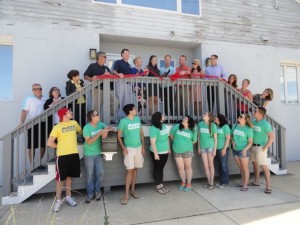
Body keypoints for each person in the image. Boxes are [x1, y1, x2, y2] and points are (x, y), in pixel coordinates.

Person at [47, 108, 82, 212]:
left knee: (69, 178)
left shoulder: (74, 123)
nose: (71, 113)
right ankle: (58, 201)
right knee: (60, 180)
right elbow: (49, 143)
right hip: (62, 156)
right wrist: (60, 146)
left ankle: (68, 197)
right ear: (64, 115)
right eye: (69, 112)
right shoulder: (57, 127)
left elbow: (80, 132)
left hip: (74, 154)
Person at [83, 110, 114, 203]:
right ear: (92, 118)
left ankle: (97, 191)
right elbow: (89, 141)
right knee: (89, 175)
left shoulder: (100, 124)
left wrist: (106, 132)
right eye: (97, 115)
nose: (99, 115)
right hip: (89, 154)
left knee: (100, 173)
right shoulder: (86, 128)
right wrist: (100, 133)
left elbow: (111, 129)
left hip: (98, 153)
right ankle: (90, 194)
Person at [117, 104, 145, 205]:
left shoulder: (137, 119)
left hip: (138, 147)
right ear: (130, 111)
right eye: (134, 109)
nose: (136, 110)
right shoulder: (123, 121)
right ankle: (126, 194)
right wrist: (123, 148)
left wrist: (143, 147)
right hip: (129, 148)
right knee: (129, 170)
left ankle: (133, 190)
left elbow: (141, 133)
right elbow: (119, 136)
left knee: (135, 169)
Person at [20, 83, 46, 169]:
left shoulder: (45, 98)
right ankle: (32, 165)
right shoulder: (28, 98)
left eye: (39, 88)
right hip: (32, 123)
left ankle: (38, 163)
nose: (38, 90)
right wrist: (21, 122)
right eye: (35, 89)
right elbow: (24, 111)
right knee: (32, 145)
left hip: (43, 123)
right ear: (32, 90)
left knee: (43, 144)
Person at [84, 51, 118, 115]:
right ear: (99, 57)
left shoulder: (106, 68)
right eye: (105, 57)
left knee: (116, 102)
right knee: (96, 107)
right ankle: (95, 122)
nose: (106, 58)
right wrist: (91, 78)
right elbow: (85, 76)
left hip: (107, 89)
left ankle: (109, 116)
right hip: (96, 89)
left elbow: (112, 78)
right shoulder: (92, 66)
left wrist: (110, 75)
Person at [250, 107, 274, 194]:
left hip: (261, 147)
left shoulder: (265, 124)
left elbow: (271, 137)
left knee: (264, 166)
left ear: (260, 114)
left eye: (255, 111)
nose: (253, 112)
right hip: (253, 147)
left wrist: (265, 147)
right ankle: (257, 181)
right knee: (255, 164)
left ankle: (268, 186)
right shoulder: (253, 121)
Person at [170, 116, 197, 192]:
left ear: (189, 122)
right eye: (183, 118)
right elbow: (171, 135)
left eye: (185, 119)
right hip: (177, 150)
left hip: (187, 151)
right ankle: (183, 182)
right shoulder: (177, 126)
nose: (183, 120)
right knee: (180, 167)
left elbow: (194, 141)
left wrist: (187, 144)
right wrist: (176, 142)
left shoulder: (193, 130)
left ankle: (189, 184)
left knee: (188, 167)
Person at [150, 112, 170, 194]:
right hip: (157, 152)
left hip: (165, 151)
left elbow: (167, 138)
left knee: (161, 168)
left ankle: (161, 185)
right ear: (159, 117)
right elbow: (153, 142)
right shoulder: (153, 128)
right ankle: (158, 186)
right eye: (162, 115)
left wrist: (168, 148)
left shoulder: (164, 126)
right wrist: (155, 154)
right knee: (157, 169)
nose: (164, 116)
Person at [231, 113, 253, 191]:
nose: (239, 117)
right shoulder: (235, 126)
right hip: (235, 150)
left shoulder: (248, 129)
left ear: (245, 119)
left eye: (241, 117)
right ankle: (242, 182)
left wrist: (245, 149)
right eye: (239, 116)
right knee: (241, 167)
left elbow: (250, 142)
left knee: (245, 168)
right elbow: (231, 136)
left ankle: (245, 185)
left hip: (243, 150)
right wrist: (233, 142)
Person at [198, 112, 217, 190]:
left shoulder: (213, 125)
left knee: (210, 165)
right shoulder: (200, 124)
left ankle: (212, 182)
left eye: (205, 114)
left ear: (209, 117)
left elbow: (215, 139)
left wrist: (214, 150)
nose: (203, 115)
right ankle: (209, 182)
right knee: (205, 166)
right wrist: (198, 147)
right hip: (203, 147)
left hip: (210, 147)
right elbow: (198, 137)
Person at [113, 48, 134, 118]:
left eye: (128, 54)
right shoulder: (118, 62)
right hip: (120, 83)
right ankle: (117, 118)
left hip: (128, 85)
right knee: (119, 101)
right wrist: (118, 74)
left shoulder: (129, 65)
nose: (127, 55)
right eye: (126, 53)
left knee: (126, 102)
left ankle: (124, 117)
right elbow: (114, 71)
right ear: (122, 54)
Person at [214, 114, 231, 188]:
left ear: (219, 119)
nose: (214, 119)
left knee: (223, 165)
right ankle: (221, 181)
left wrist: (224, 148)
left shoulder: (225, 126)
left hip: (223, 148)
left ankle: (225, 182)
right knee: (218, 165)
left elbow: (228, 138)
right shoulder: (216, 126)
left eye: (216, 118)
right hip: (216, 149)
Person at [160, 54, 176, 119]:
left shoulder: (173, 69)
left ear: (170, 60)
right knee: (165, 103)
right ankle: (166, 118)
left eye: (168, 59)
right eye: (166, 59)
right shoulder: (161, 69)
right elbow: (160, 78)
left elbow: (174, 78)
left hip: (170, 87)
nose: (167, 61)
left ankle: (173, 118)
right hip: (163, 88)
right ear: (164, 60)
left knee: (171, 102)